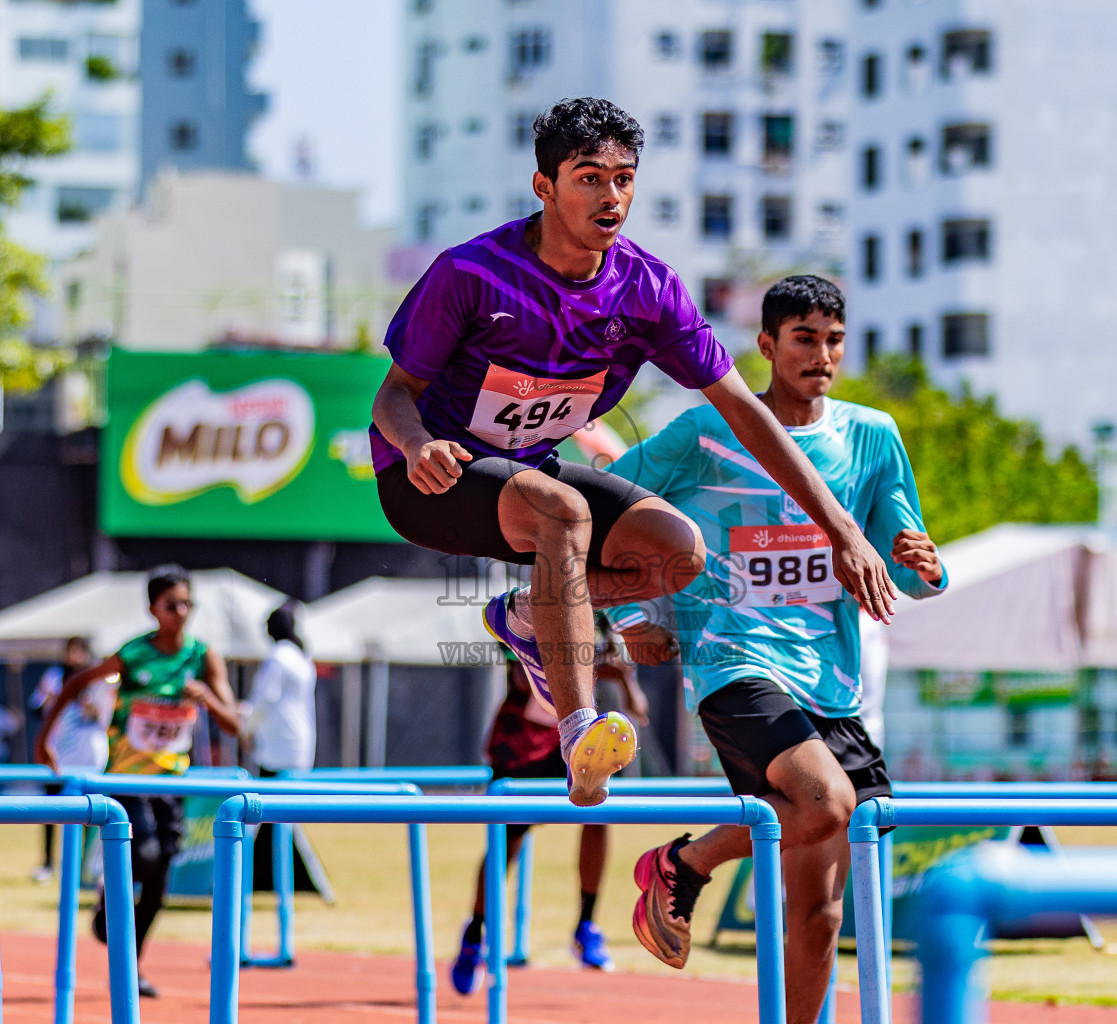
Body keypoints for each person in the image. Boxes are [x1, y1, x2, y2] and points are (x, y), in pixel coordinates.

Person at [370, 98, 899, 808]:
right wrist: (416, 444)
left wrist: (843, 531)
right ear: (544, 186)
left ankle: (527, 616)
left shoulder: (648, 289)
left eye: (624, 178)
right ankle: (578, 731)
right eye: (589, 177)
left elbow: (745, 410)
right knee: (562, 511)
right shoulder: (472, 274)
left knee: (677, 553)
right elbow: (393, 395)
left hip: (527, 475)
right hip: (430, 482)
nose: (610, 195)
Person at [604, 276, 947, 1024]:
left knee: (822, 908)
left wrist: (926, 569)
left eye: (833, 339)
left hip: (831, 678)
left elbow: (901, 561)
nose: (821, 354)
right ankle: (690, 862)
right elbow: (605, 505)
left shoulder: (871, 436)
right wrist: (630, 615)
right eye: (803, 338)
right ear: (765, 346)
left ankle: (683, 863)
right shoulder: (705, 433)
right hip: (734, 663)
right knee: (826, 800)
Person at [33, 566, 240, 998]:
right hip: (126, 778)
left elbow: (235, 724)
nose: (181, 613)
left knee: (160, 882)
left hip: (173, 782)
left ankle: (132, 965)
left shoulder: (203, 656)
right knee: (143, 853)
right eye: (171, 606)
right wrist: (43, 743)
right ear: (152, 609)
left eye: (187, 604)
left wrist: (207, 698)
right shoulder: (132, 655)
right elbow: (74, 684)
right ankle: (110, 895)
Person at [451, 615, 649, 993]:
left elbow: (612, 663)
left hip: (578, 737)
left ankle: (587, 925)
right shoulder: (529, 605)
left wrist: (625, 680)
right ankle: (475, 933)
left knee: (598, 816)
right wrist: (596, 664)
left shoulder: (601, 611)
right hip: (524, 743)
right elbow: (526, 675)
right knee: (505, 842)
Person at [29, 636, 111, 883]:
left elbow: (104, 717)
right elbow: (36, 709)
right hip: (57, 753)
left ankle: (85, 866)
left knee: (89, 811)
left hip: (87, 756)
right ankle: (48, 862)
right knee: (51, 809)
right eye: (70, 651)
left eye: (78, 651)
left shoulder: (96, 680)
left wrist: (88, 703)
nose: (73, 656)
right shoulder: (54, 676)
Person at [243, 601, 317, 777]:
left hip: (276, 750)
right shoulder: (301, 656)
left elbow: (264, 699)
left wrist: (247, 730)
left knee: (272, 801)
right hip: (299, 745)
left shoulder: (278, 656)